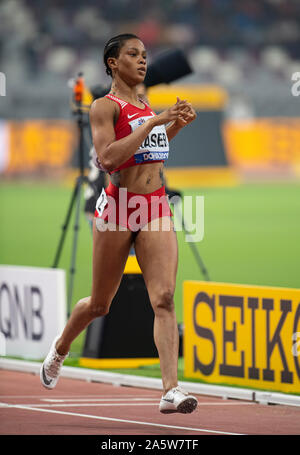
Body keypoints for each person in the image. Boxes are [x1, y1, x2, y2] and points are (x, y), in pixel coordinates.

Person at [40, 33, 198, 414]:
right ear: (113, 62)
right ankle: (60, 349)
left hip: (155, 206)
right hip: (118, 209)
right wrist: (152, 123)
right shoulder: (103, 107)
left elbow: (152, 153)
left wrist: (174, 124)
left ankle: (170, 391)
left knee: (163, 298)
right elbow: (109, 159)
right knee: (99, 305)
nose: (143, 61)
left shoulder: (145, 101)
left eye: (145, 55)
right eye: (133, 54)